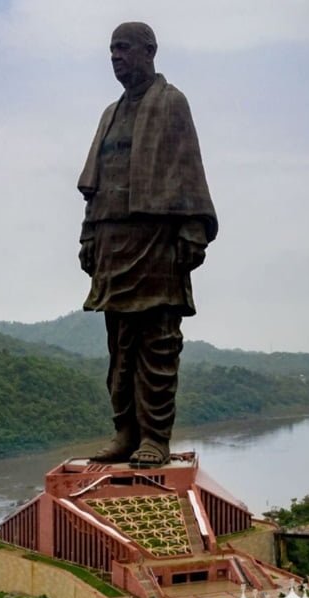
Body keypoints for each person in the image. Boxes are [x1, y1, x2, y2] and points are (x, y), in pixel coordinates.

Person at [77, 22, 217, 468]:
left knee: (157, 343)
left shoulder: (172, 103)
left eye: (124, 48)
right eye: (111, 50)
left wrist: (192, 230)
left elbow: (189, 168)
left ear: (149, 51)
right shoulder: (110, 113)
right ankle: (126, 432)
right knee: (119, 350)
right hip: (112, 242)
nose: (115, 57)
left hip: (157, 241)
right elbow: (94, 183)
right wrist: (88, 235)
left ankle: (155, 437)